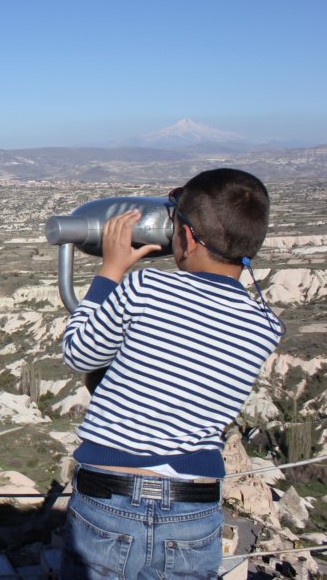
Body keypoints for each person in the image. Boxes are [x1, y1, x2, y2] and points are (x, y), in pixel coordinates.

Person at [60, 168, 284, 579]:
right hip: (193, 512)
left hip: (111, 498)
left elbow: (79, 352)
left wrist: (109, 271)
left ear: (185, 237)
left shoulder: (146, 287)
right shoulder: (265, 326)